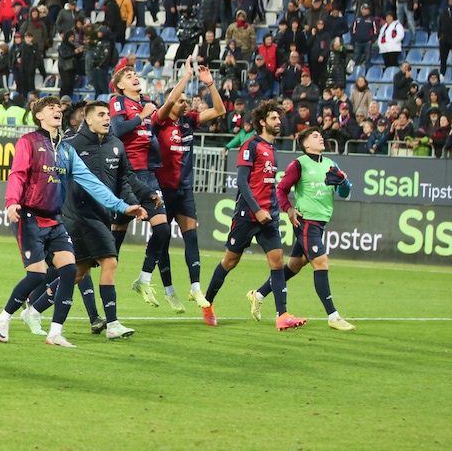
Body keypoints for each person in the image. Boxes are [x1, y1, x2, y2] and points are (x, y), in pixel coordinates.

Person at [0, 96, 146, 347]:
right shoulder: (28, 142)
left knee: (69, 271)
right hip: (29, 216)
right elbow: (18, 173)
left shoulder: (67, 150)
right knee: (37, 275)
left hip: (55, 220)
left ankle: (54, 333)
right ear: (39, 115)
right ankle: (4, 317)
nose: (57, 111)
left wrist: (122, 206)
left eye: (58, 108)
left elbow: (93, 184)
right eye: (50, 108)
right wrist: (12, 202)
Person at [201, 100, 308, 331]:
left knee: (277, 261)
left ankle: (282, 315)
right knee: (230, 261)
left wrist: (268, 210)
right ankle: (207, 303)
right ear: (262, 122)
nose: (279, 121)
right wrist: (256, 210)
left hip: (269, 215)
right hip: (248, 214)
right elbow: (241, 181)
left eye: (279, 118)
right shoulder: (251, 145)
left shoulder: (273, 148)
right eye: (274, 118)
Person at [247, 128, 356, 331]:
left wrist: (343, 182)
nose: (320, 137)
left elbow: (345, 192)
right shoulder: (299, 164)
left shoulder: (331, 165)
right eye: (315, 136)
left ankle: (259, 294)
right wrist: (288, 209)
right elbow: (281, 189)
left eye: (320, 135)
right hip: (306, 222)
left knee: (294, 266)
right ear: (306, 144)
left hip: (321, 223)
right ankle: (333, 316)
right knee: (321, 263)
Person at [148, 58, 225, 310]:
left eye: (187, 102)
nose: (185, 104)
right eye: (181, 101)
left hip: (184, 190)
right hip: (163, 189)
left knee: (191, 238)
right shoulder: (160, 122)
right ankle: (169, 290)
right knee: (162, 241)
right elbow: (170, 100)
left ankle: (195, 288)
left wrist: (210, 84)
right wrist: (186, 76)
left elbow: (219, 111)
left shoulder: (188, 121)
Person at [107, 67, 174, 310]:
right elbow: (117, 130)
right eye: (128, 76)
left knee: (163, 230)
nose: (135, 77)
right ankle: (106, 296)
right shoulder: (118, 101)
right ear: (120, 85)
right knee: (116, 242)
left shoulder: (148, 103)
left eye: (136, 74)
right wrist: (142, 116)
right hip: (125, 176)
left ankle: (144, 279)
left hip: (148, 176)